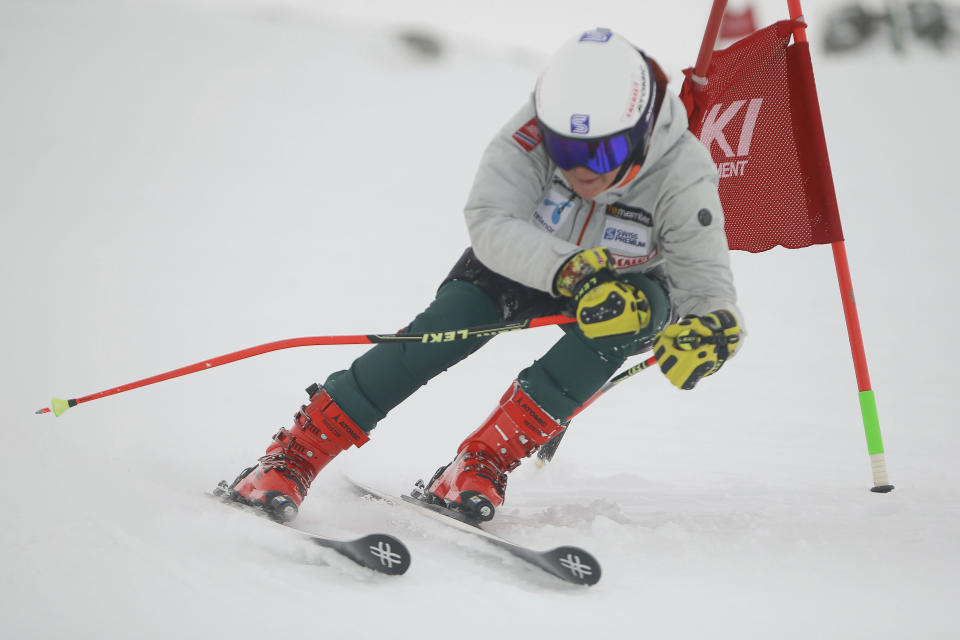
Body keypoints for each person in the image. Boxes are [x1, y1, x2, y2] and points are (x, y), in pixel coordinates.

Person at [224, 27, 743, 523]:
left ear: (640, 131)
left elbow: (707, 284)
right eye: (564, 150)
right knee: (436, 334)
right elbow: (490, 220)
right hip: (524, 264)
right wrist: (572, 270)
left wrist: (711, 331)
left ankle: (482, 462)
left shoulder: (683, 170)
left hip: (622, 292)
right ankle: (294, 456)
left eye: (601, 152)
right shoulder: (530, 130)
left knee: (636, 313)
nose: (580, 169)